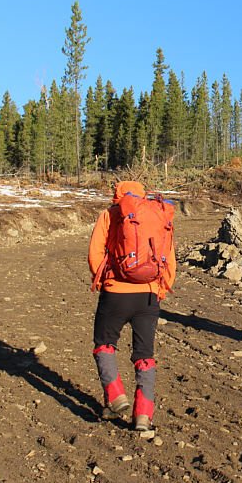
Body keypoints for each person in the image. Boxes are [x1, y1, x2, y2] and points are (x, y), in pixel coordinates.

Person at [88, 181, 176, 431]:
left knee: (104, 344)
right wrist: (159, 290)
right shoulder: (158, 215)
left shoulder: (109, 214)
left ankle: (116, 396)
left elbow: (95, 254)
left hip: (116, 292)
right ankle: (143, 417)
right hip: (149, 295)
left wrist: (107, 282)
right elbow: (169, 257)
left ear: (117, 195)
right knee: (145, 355)